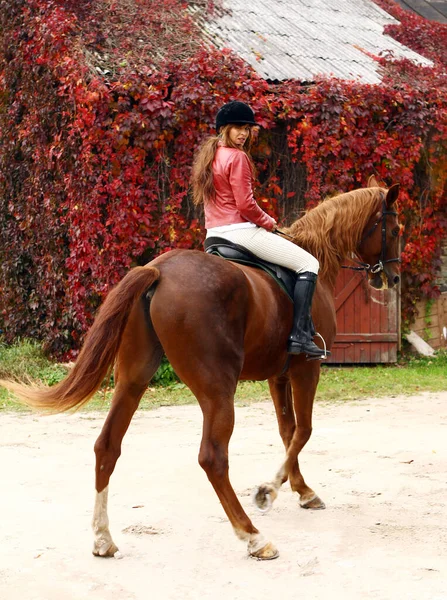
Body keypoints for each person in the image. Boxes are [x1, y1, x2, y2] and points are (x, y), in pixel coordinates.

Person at [191, 100, 328, 359]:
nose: (243, 133)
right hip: (241, 233)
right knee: (308, 263)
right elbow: (245, 204)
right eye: (238, 128)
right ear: (225, 129)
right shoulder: (238, 157)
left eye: (247, 128)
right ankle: (299, 336)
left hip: (213, 236)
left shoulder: (210, 156)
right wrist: (269, 222)